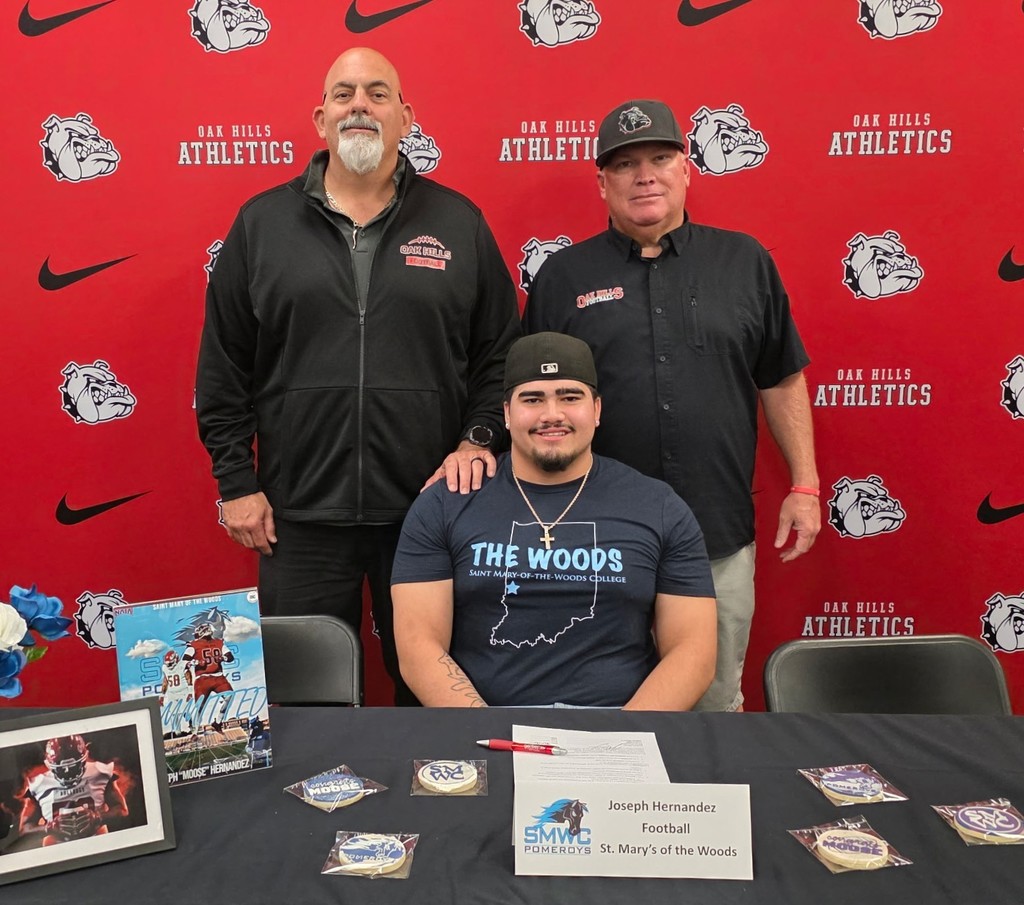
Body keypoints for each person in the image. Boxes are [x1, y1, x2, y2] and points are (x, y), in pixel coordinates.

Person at [195, 47, 520, 705]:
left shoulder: (458, 221)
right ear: (321, 118)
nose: (360, 106)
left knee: (435, 696)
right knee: (301, 699)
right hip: (299, 516)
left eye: (378, 93)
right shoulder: (262, 225)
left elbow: (499, 356)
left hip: (431, 511)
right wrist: (235, 480)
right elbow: (223, 366)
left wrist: (478, 439)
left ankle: (441, 809)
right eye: (344, 94)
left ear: (406, 116)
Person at [523, 99, 820, 712]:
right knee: (595, 702)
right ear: (602, 182)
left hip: (716, 533)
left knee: (712, 703)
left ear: (687, 169)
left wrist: (807, 484)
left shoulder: (745, 262)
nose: (645, 175)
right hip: (591, 538)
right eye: (625, 164)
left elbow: (782, 380)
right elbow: (531, 406)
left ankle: (696, 810)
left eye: (660, 158)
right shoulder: (562, 275)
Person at [391, 332, 717, 708]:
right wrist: (486, 729)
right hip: (484, 724)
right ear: (507, 414)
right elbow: (419, 648)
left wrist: (621, 742)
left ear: (596, 410)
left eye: (569, 397)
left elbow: (693, 652)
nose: (552, 415)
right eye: (533, 399)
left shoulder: (658, 506)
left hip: (617, 723)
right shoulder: (446, 502)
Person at [19, 735, 128, 846]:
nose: (67, 772)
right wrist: (48, 828)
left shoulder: (100, 772)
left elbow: (121, 810)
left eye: (73, 766)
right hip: (57, 846)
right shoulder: (38, 784)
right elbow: (25, 828)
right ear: (49, 765)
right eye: (61, 768)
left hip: (97, 840)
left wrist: (99, 818)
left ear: (85, 758)